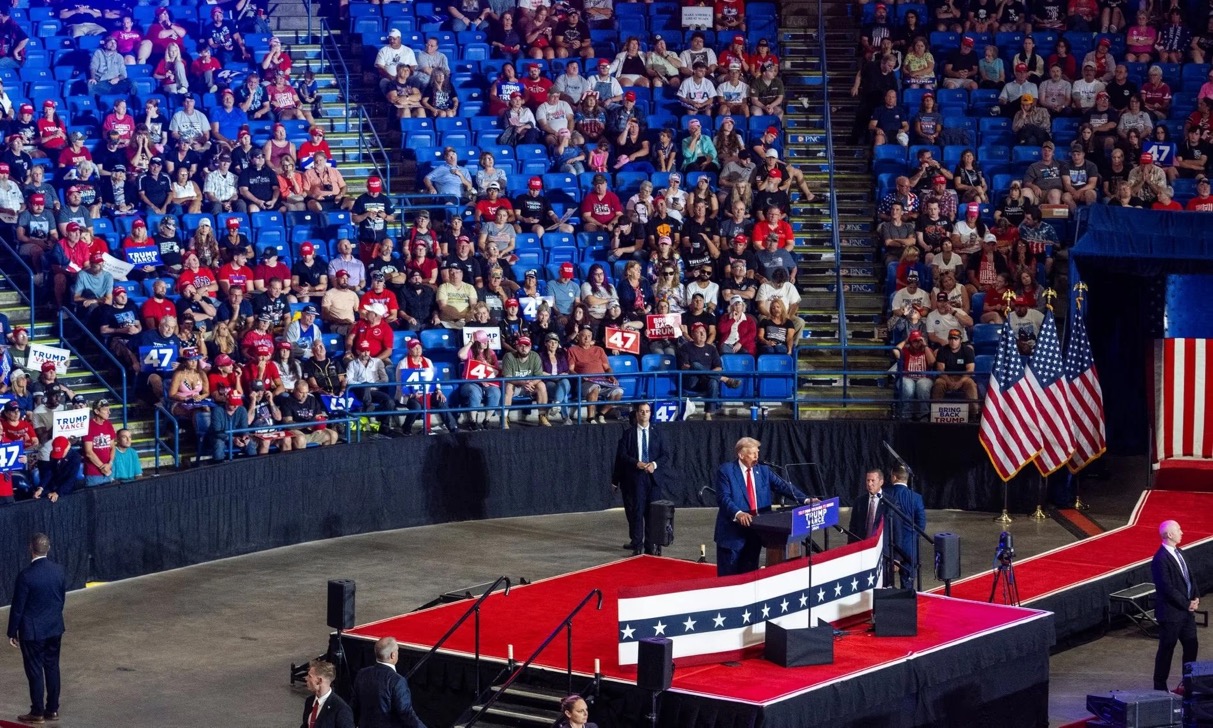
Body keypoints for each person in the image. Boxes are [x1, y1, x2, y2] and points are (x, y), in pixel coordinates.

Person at [714, 436, 813, 577]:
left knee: (750, 575)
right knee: (729, 578)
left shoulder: (764, 470)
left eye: (757, 453)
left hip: (757, 530)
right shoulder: (726, 471)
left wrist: (806, 500)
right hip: (732, 534)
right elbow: (723, 498)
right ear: (741, 455)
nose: (757, 456)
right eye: (753, 453)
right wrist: (738, 513)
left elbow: (783, 486)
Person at [6, 533, 67, 725]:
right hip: (54, 627)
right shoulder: (59, 570)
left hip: (32, 632)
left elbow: (18, 607)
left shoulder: (26, 576)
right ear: (48, 549)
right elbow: (61, 599)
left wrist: (12, 632)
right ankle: (53, 709)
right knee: (52, 666)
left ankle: (37, 712)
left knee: (34, 671)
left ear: (30, 549)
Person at [612, 402, 673, 556]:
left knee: (652, 513)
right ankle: (637, 545)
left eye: (647, 411)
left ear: (650, 413)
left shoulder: (659, 433)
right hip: (636, 478)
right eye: (641, 411)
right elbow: (622, 455)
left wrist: (654, 464)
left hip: (653, 479)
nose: (644, 414)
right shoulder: (629, 434)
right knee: (637, 512)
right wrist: (635, 463)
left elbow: (665, 455)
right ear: (637, 414)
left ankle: (650, 545)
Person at [1153, 519, 1200, 692]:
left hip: (1186, 614)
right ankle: (1159, 688)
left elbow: (1190, 577)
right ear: (1170, 535)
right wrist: (1186, 603)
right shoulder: (1160, 559)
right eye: (1179, 530)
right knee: (1166, 650)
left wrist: (1195, 597)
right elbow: (1167, 588)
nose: (1182, 532)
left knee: (1191, 646)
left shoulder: (1179, 552)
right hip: (1171, 614)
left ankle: (1189, 683)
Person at [350, 636, 427, 728]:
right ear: (392, 655)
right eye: (397, 650)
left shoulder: (362, 674)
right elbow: (406, 714)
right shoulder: (397, 681)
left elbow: (354, 706)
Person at [885, 465, 926, 590]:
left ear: (894, 477)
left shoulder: (886, 494)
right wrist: (913, 536)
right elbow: (921, 523)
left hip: (889, 547)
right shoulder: (916, 497)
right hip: (910, 547)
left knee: (886, 585)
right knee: (908, 586)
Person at [301, 658, 354, 728]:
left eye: (310, 676)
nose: (306, 678)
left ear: (319, 681)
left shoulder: (341, 709)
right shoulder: (309, 701)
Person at [847, 468, 887, 541]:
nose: (869, 484)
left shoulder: (889, 502)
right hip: (862, 546)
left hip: (881, 547)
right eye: (868, 480)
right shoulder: (859, 501)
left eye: (872, 480)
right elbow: (853, 528)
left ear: (881, 482)